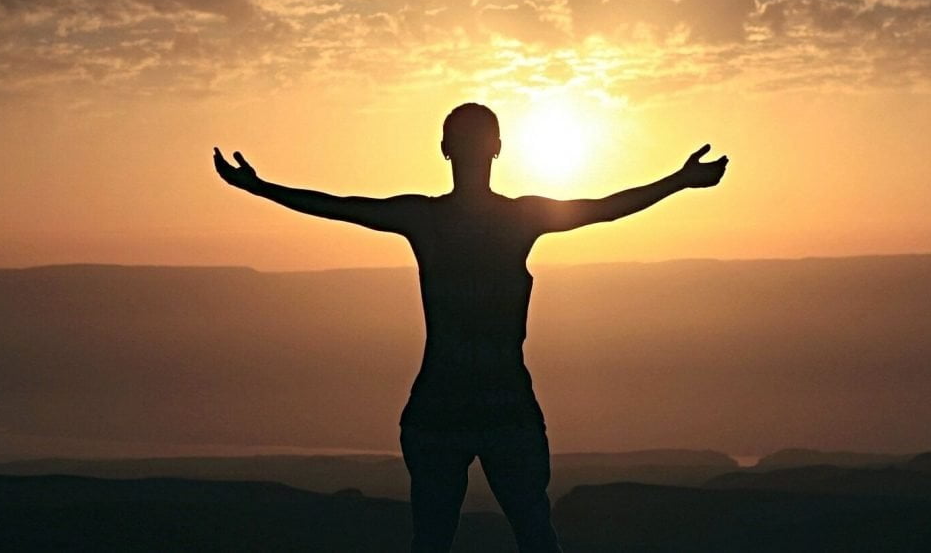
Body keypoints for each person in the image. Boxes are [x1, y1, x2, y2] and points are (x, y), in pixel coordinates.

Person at [214, 102, 728, 553]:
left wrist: (258, 188)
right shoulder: (519, 218)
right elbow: (603, 210)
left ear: (444, 149)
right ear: (498, 149)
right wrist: (677, 182)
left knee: (438, 540)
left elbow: (340, 208)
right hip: (498, 406)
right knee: (533, 536)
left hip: (444, 406)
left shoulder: (426, 218)